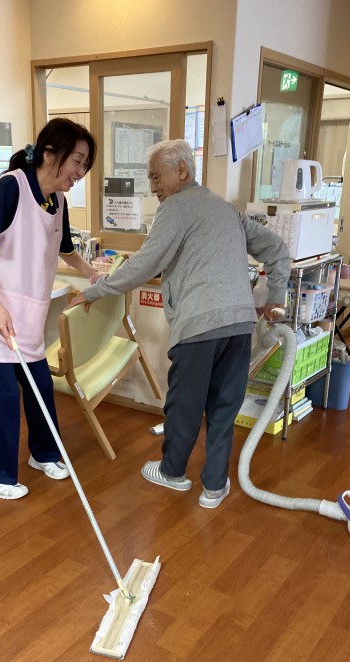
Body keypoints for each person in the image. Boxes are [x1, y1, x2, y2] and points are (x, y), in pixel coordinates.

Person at [68, 139, 290, 509]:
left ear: (182, 171)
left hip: (200, 325)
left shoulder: (174, 208)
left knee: (185, 404)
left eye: (156, 177)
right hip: (239, 323)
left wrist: (96, 290)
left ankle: (172, 473)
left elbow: (145, 264)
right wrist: (275, 300)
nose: (153, 187)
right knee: (224, 406)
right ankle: (214, 487)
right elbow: (278, 250)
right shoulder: (225, 208)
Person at [0, 118, 99, 500]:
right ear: (50, 154)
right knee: (3, 397)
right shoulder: (9, 189)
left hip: (26, 320)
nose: (80, 172)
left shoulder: (57, 201)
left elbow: (64, 249)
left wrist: (90, 272)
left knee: (40, 389)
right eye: (77, 161)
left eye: (85, 164)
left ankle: (43, 454)